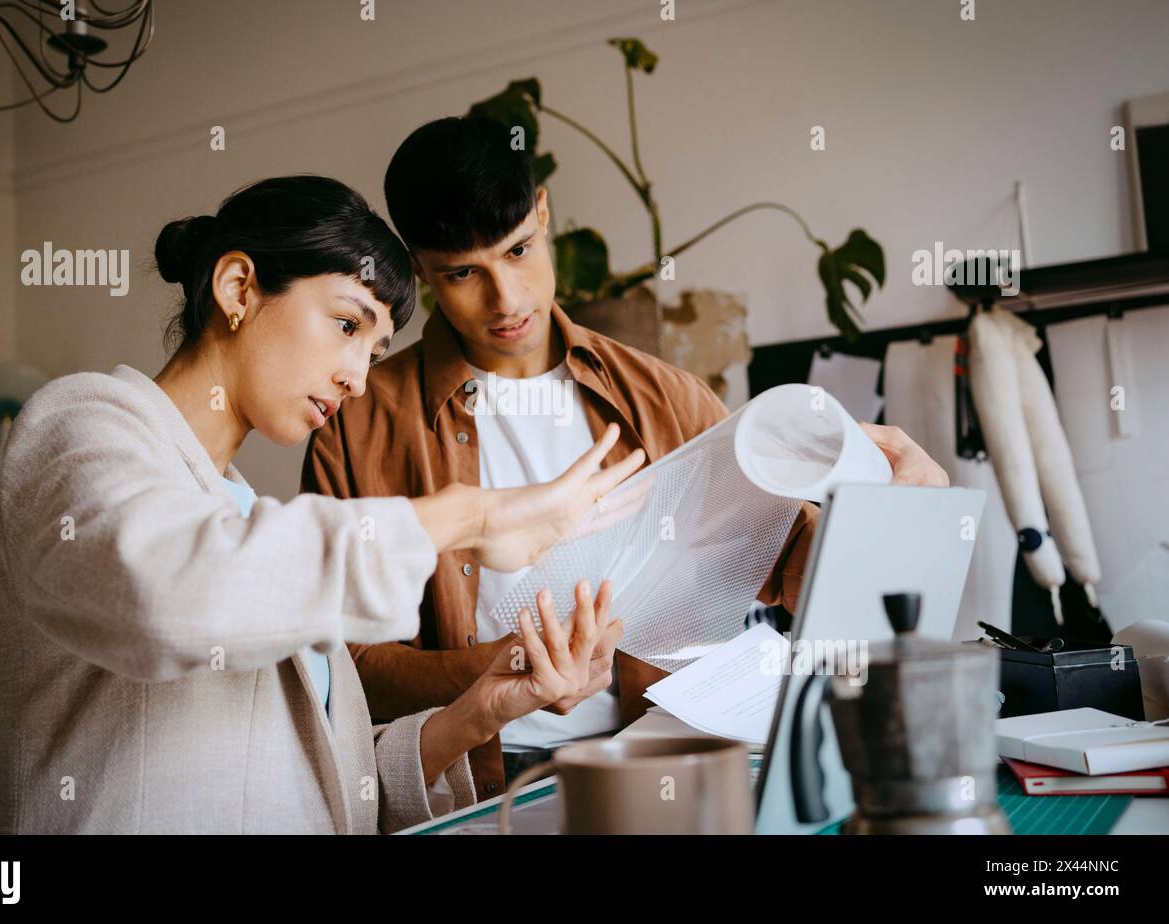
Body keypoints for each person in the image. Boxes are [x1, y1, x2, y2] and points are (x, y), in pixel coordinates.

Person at [301, 118, 950, 798]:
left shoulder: (666, 396)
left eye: (519, 251)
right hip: (474, 782)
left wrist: (886, 519)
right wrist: (495, 673)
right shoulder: (356, 426)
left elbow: (790, 567)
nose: (506, 299)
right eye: (463, 274)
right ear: (420, 266)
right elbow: (346, 669)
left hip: (665, 762)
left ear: (543, 212)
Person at [0, 174, 644, 834]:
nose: (356, 377)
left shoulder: (254, 524)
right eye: (346, 323)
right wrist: (467, 514)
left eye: (375, 347)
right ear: (238, 288)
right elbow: (162, 595)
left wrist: (484, 710)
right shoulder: (81, 425)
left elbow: (328, 787)